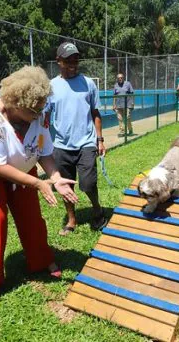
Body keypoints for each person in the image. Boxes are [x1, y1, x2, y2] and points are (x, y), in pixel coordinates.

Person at [0, 66, 79, 310]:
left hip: (23, 168)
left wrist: (55, 178)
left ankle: (41, 260)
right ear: (14, 103)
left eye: (40, 108)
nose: (38, 115)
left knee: (32, 218)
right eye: (32, 111)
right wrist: (37, 183)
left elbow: (44, 152)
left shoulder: (38, 111)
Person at [47, 42, 108, 236]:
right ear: (59, 61)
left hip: (86, 142)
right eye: (68, 60)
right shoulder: (51, 87)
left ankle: (97, 209)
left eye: (76, 59)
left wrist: (100, 139)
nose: (73, 63)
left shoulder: (88, 83)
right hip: (61, 145)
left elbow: (95, 113)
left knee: (88, 183)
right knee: (65, 185)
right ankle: (71, 219)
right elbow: (45, 118)